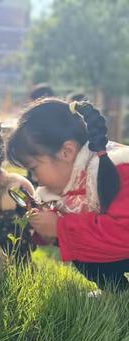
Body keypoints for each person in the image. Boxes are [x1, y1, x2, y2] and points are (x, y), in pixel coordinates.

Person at [7, 98, 129, 290]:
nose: (35, 179)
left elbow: (124, 233)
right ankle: (117, 292)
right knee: (76, 246)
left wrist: (61, 228)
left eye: (34, 169)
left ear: (67, 152)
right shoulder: (71, 180)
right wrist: (48, 231)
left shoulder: (116, 168)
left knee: (74, 239)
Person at [0, 137, 36, 262]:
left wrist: (1, 213)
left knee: (10, 218)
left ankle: (19, 266)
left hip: (11, 229)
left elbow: (31, 209)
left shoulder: (15, 183)